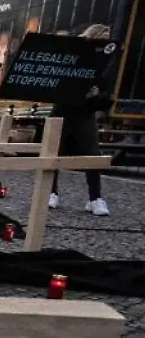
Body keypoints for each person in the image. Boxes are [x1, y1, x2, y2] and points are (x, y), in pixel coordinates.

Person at [48, 23, 112, 216]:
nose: (105, 43)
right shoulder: (71, 55)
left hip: (85, 112)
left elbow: (105, 84)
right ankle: (51, 193)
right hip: (63, 108)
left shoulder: (104, 60)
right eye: (102, 39)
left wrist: (97, 91)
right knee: (53, 153)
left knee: (92, 154)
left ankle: (95, 198)